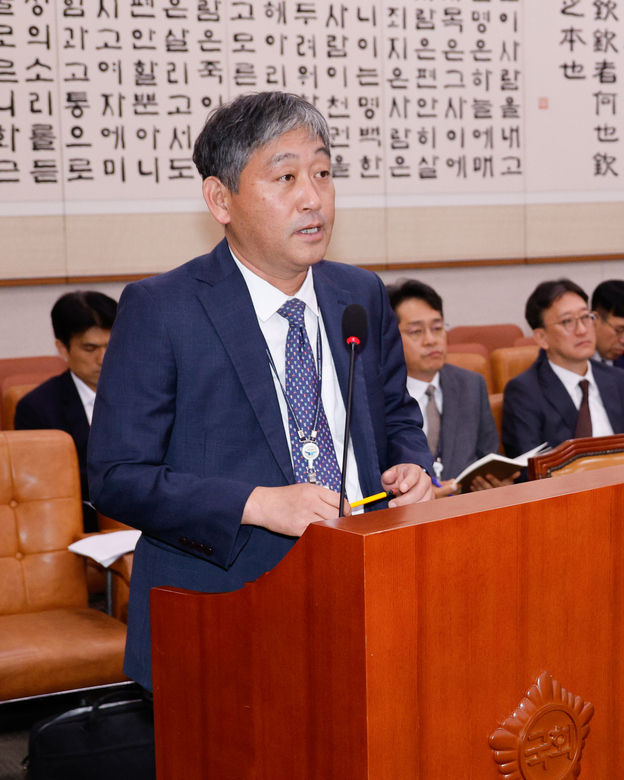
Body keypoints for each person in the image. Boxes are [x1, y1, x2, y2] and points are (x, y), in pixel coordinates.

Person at [87, 92, 435, 690]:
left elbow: (396, 413)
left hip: (369, 592)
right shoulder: (163, 308)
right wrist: (258, 503)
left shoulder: (361, 293)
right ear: (220, 198)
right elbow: (116, 476)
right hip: (223, 613)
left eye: (323, 173)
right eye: (286, 176)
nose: (313, 197)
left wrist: (411, 466)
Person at [501, 278, 624, 457]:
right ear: (542, 337)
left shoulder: (620, 380)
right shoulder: (525, 392)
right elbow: (529, 469)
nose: (582, 330)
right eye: (567, 322)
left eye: (585, 317)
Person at [389, 278, 512, 495]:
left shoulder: (471, 385)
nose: (431, 340)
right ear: (389, 338)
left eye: (437, 328)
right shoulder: (378, 396)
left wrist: (495, 483)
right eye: (416, 332)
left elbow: (488, 457)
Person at [14, 290, 118, 531]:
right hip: (81, 528)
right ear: (62, 348)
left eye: (111, 345)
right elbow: (44, 491)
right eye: (90, 349)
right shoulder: (37, 408)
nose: (104, 359)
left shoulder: (150, 392)